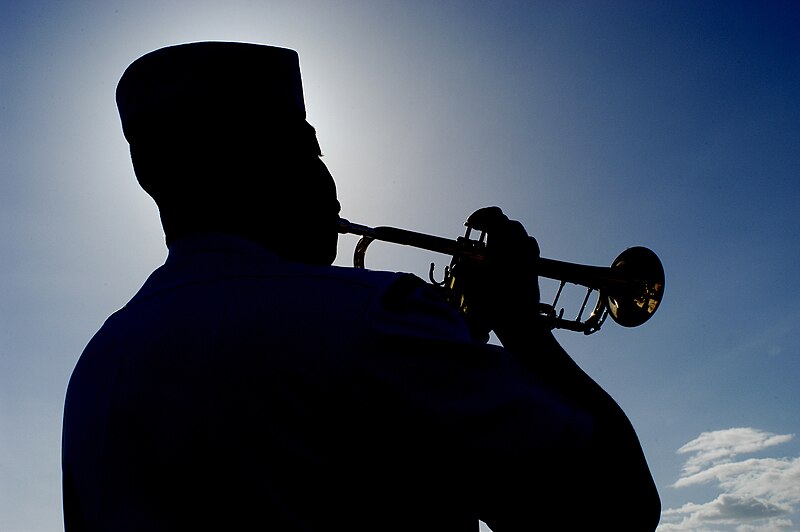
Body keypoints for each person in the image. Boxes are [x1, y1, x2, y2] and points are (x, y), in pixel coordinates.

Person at [62, 41, 661, 531]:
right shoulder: (377, 316)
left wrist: (462, 340)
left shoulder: (98, 365)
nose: (332, 187)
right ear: (279, 161)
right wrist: (522, 327)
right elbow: (618, 510)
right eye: (315, 154)